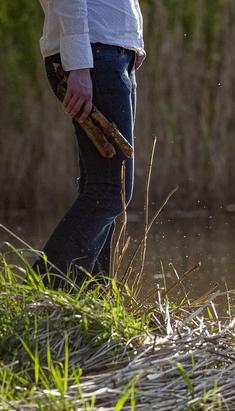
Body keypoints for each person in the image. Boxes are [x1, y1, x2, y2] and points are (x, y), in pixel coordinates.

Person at [36, 0, 145, 285]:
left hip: (109, 51)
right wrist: (80, 64)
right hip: (94, 56)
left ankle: (92, 303)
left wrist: (132, 39)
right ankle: (41, 292)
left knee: (101, 189)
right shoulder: (85, 59)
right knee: (111, 191)